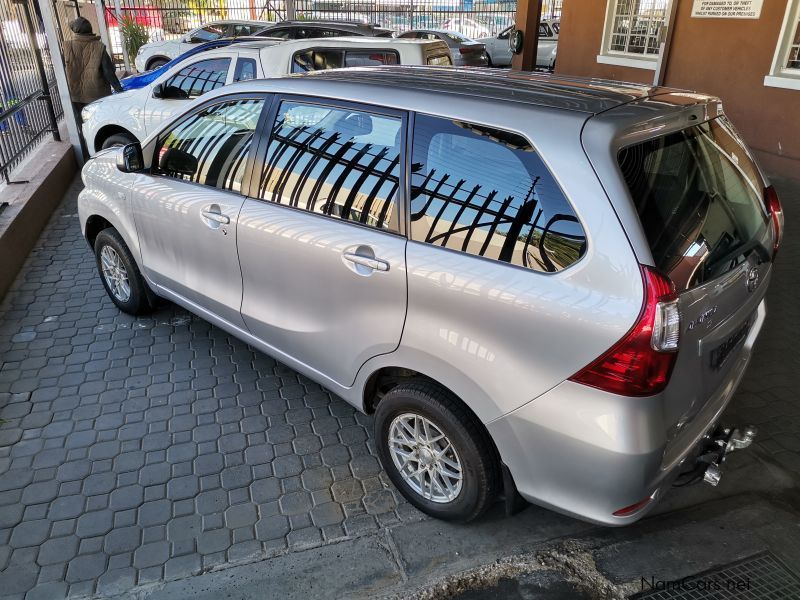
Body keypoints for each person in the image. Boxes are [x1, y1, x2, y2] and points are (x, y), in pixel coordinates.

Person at [63, 17, 122, 114]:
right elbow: (108, 72)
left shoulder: (67, 47)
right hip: (98, 96)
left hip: (75, 96)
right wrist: (119, 90)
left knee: (82, 125)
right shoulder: (99, 46)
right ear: (89, 29)